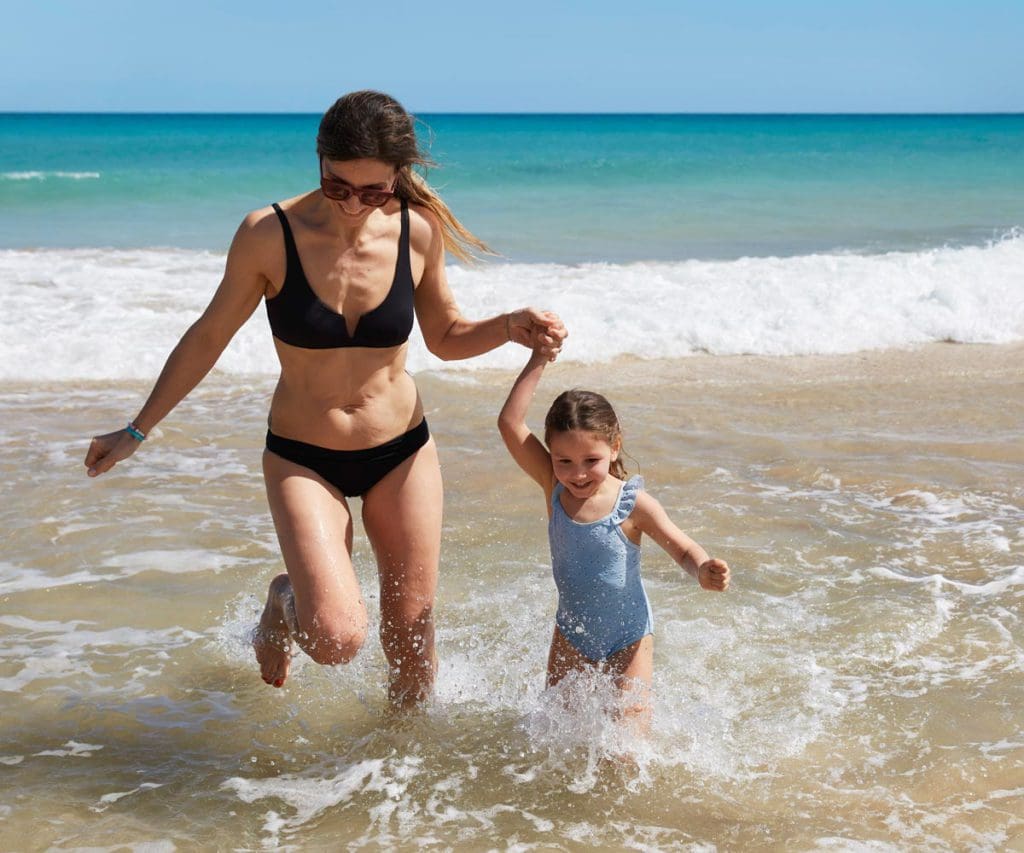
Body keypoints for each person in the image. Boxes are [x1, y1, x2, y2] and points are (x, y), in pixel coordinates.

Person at [84, 90, 567, 709]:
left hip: (402, 452)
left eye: (375, 192)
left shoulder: (417, 231)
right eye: (340, 187)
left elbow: (444, 338)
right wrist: (137, 430)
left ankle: (399, 785)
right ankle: (285, 600)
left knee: (411, 642)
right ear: (319, 162)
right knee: (336, 640)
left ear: (399, 178)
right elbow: (208, 337)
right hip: (302, 457)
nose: (355, 206)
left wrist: (507, 325)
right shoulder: (269, 234)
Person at [497, 348, 729, 727]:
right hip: (572, 633)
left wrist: (702, 568)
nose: (578, 474)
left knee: (624, 753)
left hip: (629, 637)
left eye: (591, 460)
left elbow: (683, 547)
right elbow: (509, 423)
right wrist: (540, 356)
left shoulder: (632, 503)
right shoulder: (553, 487)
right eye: (564, 461)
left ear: (614, 447)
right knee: (555, 735)